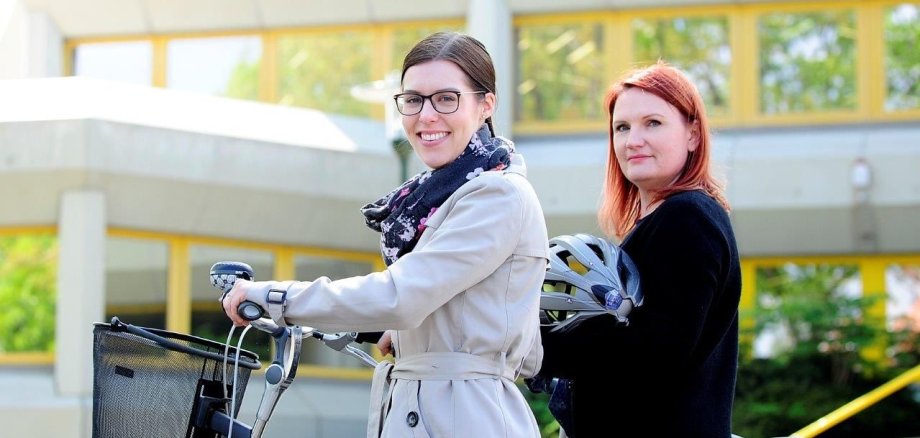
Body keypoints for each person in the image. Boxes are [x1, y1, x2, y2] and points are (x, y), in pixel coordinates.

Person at [222, 31, 547, 438]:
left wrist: (275, 297)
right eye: (413, 100)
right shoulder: (439, 198)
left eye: (446, 98)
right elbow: (440, 301)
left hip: (466, 415)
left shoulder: (497, 194)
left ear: (485, 105)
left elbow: (401, 296)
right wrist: (411, 338)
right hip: (428, 405)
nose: (426, 115)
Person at [538, 62, 742, 437]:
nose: (633, 140)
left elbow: (653, 353)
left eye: (653, 123)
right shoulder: (670, 218)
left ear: (693, 134)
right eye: (622, 127)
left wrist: (537, 346)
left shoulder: (688, 218)